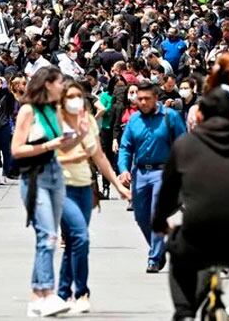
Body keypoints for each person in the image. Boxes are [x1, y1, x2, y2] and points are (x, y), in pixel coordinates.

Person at [153, 89, 229, 321]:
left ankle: (185, 313)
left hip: (199, 235)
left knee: (177, 252)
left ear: (199, 117)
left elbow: (167, 194)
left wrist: (159, 220)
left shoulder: (184, 146)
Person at [10, 66, 85, 317]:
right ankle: (47, 292)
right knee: (49, 236)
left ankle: (37, 298)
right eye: (59, 82)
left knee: (47, 237)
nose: (63, 87)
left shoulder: (54, 111)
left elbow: (63, 145)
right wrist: (49, 144)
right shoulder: (28, 110)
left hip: (55, 173)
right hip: (34, 177)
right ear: (47, 84)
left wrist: (78, 135)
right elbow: (17, 149)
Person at [57, 80, 131, 314]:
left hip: (84, 187)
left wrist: (117, 184)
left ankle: (63, 293)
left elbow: (99, 156)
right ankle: (81, 292)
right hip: (60, 188)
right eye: (70, 97)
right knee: (80, 237)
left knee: (74, 241)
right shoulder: (53, 121)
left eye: (79, 97)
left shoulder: (88, 121)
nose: (76, 102)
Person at [117, 81, 187, 273]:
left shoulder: (170, 117)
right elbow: (126, 147)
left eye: (147, 98)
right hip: (140, 173)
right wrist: (124, 169)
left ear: (156, 98)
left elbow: (183, 144)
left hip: (163, 172)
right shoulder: (134, 120)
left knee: (157, 213)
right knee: (141, 217)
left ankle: (154, 258)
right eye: (140, 99)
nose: (143, 102)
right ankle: (160, 248)